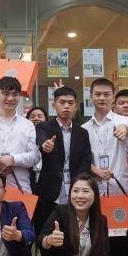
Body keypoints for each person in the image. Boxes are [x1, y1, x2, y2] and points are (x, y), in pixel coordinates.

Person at [38, 174, 120, 256]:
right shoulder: (60, 212)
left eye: (85, 191)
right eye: (75, 191)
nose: (80, 196)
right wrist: (48, 240)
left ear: (95, 196)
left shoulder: (101, 220)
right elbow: (41, 238)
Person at [34, 85, 94, 232]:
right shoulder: (44, 127)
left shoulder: (82, 132)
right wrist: (45, 144)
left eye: (70, 103)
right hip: (49, 192)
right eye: (62, 102)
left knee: (73, 232)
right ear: (54, 105)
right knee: (46, 232)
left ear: (75, 107)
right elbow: (41, 138)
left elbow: (86, 160)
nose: (66, 106)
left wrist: (80, 184)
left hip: (75, 191)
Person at [0, 76, 40, 195]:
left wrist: (13, 159)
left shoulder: (28, 125)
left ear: (19, 96)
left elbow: (34, 156)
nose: (10, 98)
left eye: (15, 94)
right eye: (6, 94)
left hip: (20, 187)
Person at [82, 78, 128, 197]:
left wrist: (123, 129)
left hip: (121, 189)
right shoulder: (84, 129)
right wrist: (96, 171)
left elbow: (126, 126)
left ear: (113, 97)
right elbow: (82, 160)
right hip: (94, 190)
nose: (102, 98)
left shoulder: (123, 120)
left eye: (106, 94)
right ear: (91, 97)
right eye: (97, 94)